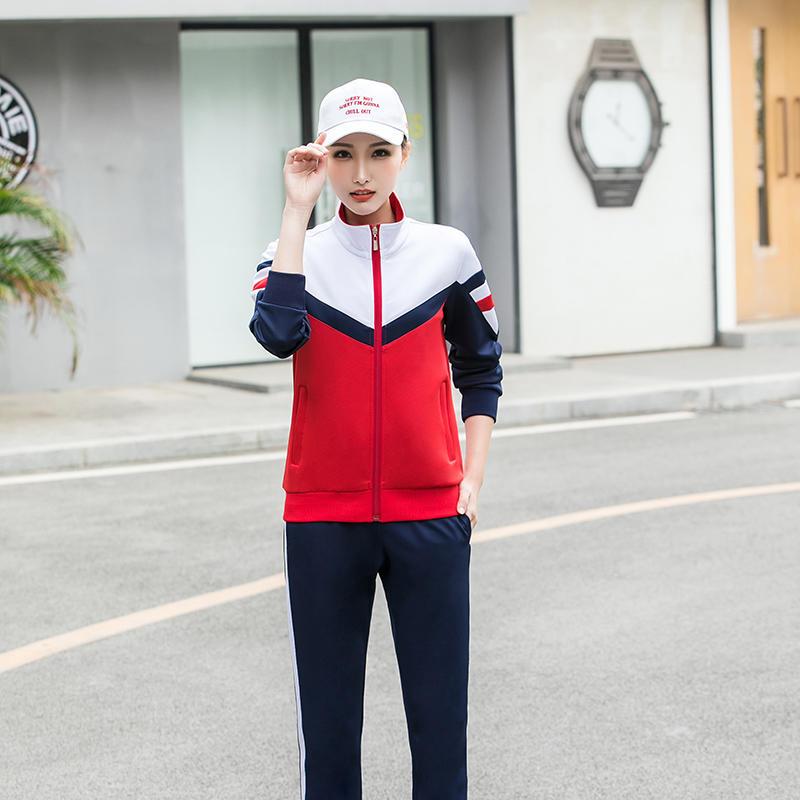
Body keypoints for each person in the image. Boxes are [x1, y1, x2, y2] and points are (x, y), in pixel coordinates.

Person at [248, 77, 503, 800]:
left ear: (404, 155)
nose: (361, 173)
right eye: (343, 154)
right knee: (328, 735)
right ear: (321, 159)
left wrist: (471, 478)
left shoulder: (448, 253)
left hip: (431, 517)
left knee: (440, 728)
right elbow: (277, 334)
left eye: (378, 153)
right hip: (322, 521)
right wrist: (296, 212)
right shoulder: (291, 253)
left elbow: (481, 370)